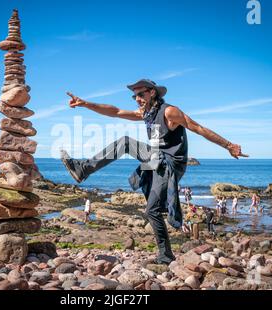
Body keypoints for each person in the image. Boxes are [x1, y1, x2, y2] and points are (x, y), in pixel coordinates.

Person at [60, 79, 248, 265]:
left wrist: (229, 145)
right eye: (134, 96)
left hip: (171, 164)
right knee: (150, 206)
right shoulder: (146, 113)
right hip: (156, 159)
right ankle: (166, 255)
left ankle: (83, 169)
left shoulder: (169, 112)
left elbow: (197, 128)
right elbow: (115, 112)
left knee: (148, 199)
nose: (137, 99)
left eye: (141, 94)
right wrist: (86, 104)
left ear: (152, 92)